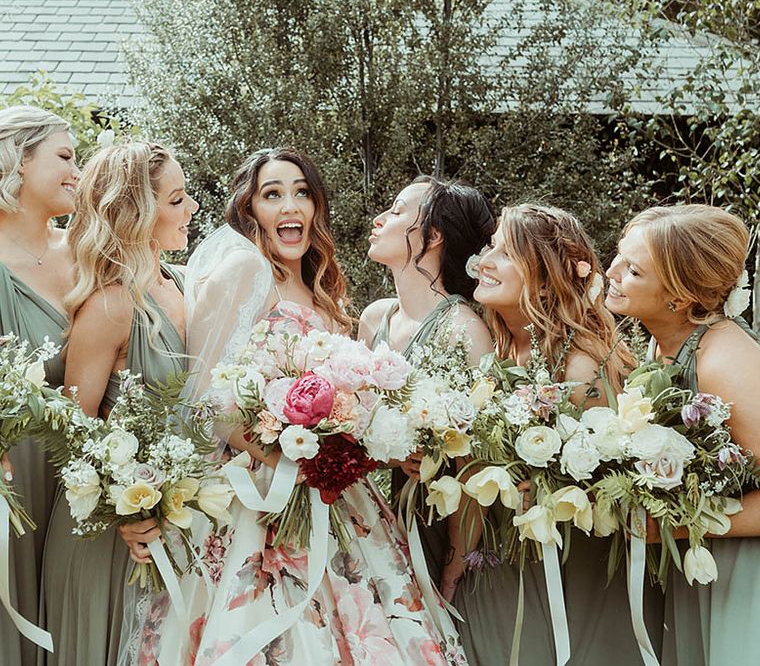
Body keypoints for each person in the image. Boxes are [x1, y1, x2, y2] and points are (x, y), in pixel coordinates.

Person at [124, 148, 467, 665]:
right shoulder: (242, 271)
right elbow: (208, 401)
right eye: (272, 194)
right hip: (258, 494)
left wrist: (364, 447)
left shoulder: (322, 288)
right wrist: (295, 458)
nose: (291, 206)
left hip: (339, 496)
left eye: (302, 192)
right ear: (250, 210)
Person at [459, 203, 644, 666]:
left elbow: (609, 481)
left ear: (544, 277)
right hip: (503, 562)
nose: (485, 260)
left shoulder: (583, 360)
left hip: (569, 570)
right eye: (490, 247)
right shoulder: (498, 347)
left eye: (504, 252)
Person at [41, 141, 198, 666]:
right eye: (177, 200)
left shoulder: (177, 285)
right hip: (109, 533)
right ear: (137, 215)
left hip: (168, 520)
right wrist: (123, 511)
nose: (191, 208)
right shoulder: (111, 304)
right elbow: (73, 431)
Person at [605, 204, 760, 666]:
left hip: (749, 575)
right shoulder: (662, 343)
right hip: (702, 567)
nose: (611, 271)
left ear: (677, 297)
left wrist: (680, 525)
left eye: (633, 270)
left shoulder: (726, 362)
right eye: (620, 256)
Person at [358, 175, 495, 599]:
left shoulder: (465, 332)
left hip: (430, 519)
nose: (379, 219)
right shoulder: (374, 318)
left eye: (397, 211)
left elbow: (476, 463)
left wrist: (455, 559)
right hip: (367, 518)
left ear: (433, 235)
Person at [0, 105, 77, 665]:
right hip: (12, 472)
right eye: (65, 157)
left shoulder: (84, 254)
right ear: (19, 161)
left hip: (84, 471)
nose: (78, 171)